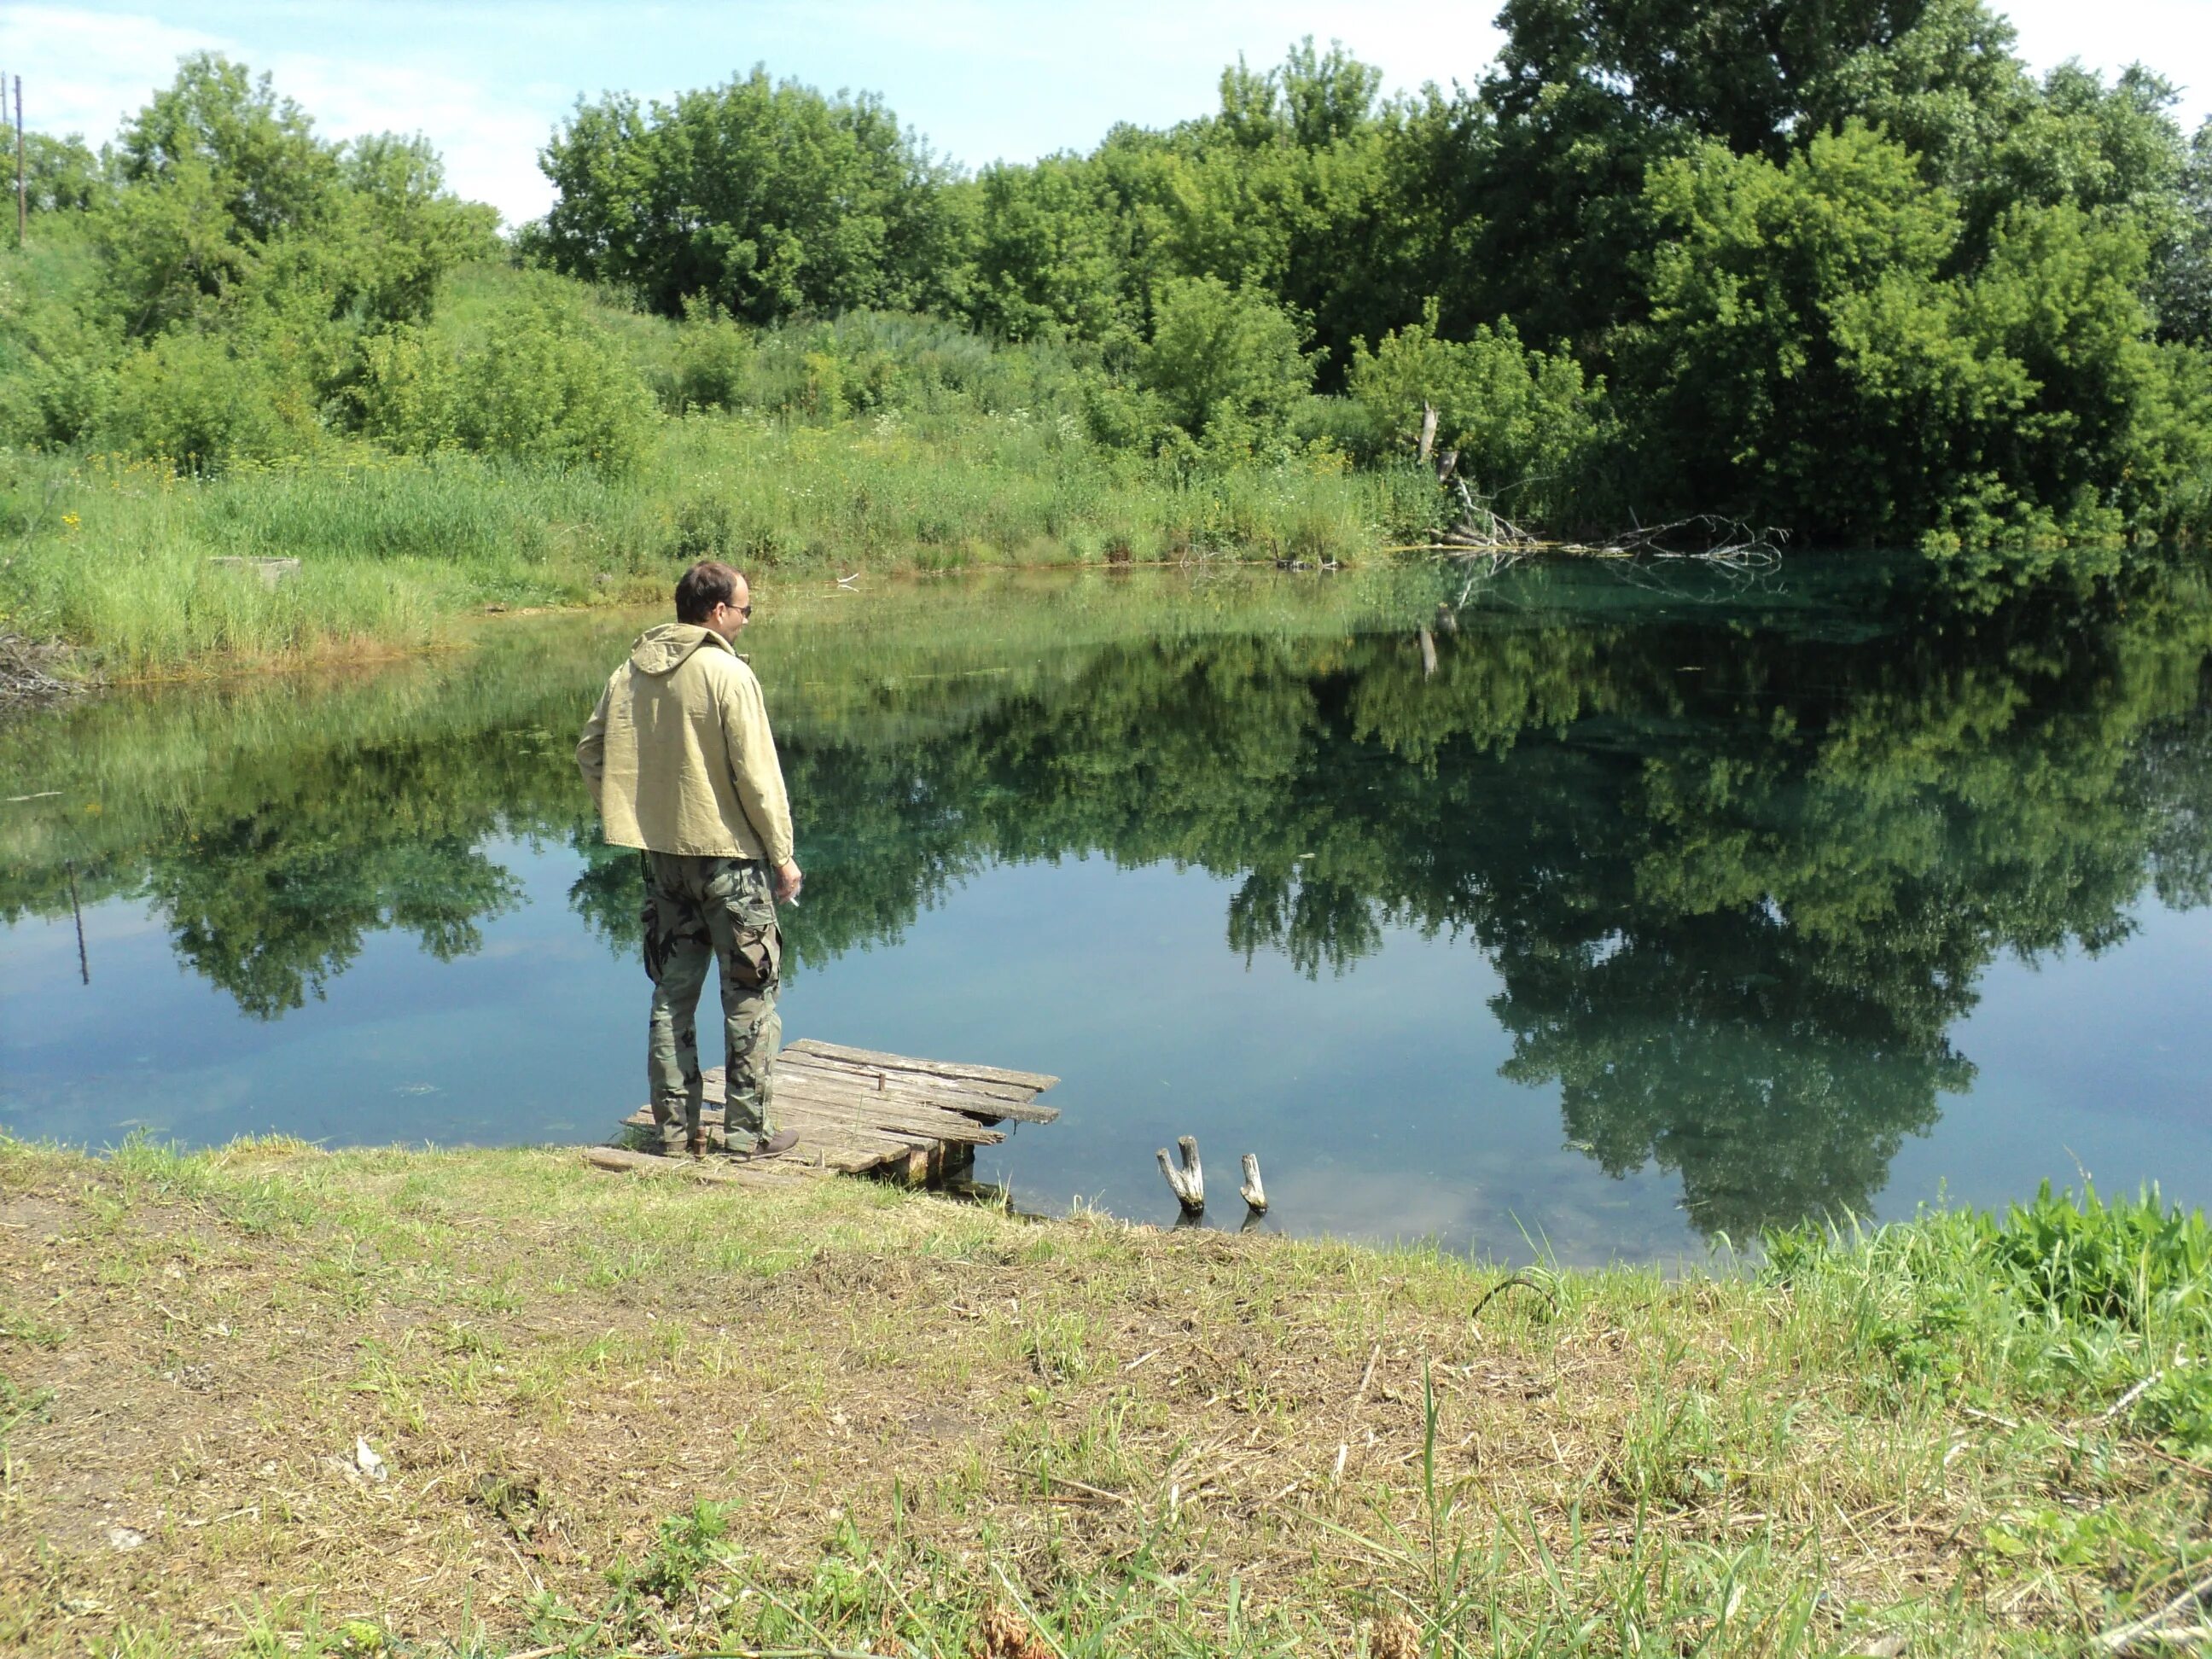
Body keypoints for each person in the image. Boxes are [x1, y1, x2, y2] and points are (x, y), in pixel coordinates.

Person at [576, 561, 804, 1159]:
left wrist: (628, 812)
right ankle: (748, 1134)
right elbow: (758, 778)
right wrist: (782, 854)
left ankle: (674, 1133)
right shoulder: (726, 673)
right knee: (750, 996)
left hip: (663, 862)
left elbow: (590, 751)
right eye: (746, 610)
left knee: (671, 996)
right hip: (730, 861)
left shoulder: (628, 672)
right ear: (717, 613)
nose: (747, 620)